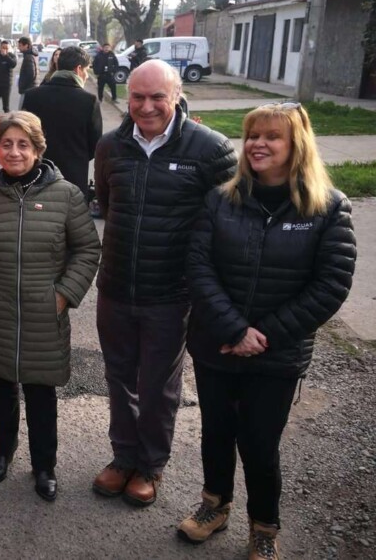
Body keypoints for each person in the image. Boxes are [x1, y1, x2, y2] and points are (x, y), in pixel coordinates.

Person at [177, 103, 356, 557]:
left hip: (277, 354)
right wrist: (235, 329)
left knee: (259, 443)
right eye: (252, 135)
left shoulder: (328, 209)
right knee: (216, 432)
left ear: (296, 145)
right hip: (217, 341)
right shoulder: (221, 199)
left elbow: (331, 285)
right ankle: (213, 507)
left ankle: (264, 529)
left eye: (271, 137)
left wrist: (265, 336)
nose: (258, 144)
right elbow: (198, 266)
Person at [92, 60, 237, 507]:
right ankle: (123, 457)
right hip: (115, 285)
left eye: (158, 96)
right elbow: (108, 204)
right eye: (138, 96)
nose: (147, 106)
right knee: (119, 378)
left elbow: (229, 224)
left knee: (158, 384)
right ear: (127, 95)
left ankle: (151, 465)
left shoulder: (211, 149)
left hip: (171, 293)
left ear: (176, 96)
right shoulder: (111, 146)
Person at [0, 111, 100, 501]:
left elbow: (87, 249)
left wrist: (64, 294)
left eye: (23, 144)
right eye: (6, 144)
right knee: (0, 388)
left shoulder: (66, 195)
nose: (14, 152)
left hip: (43, 316)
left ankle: (44, 465)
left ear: (37, 149)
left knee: (40, 394)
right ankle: (2, 453)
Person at [21, 46, 101, 199]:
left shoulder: (32, 96)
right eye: (86, 70)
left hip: (36, 175)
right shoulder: (88, 101)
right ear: (79, 69)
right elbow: (95, 145)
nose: (86, 76)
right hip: (74, 178)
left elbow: (24, 136)